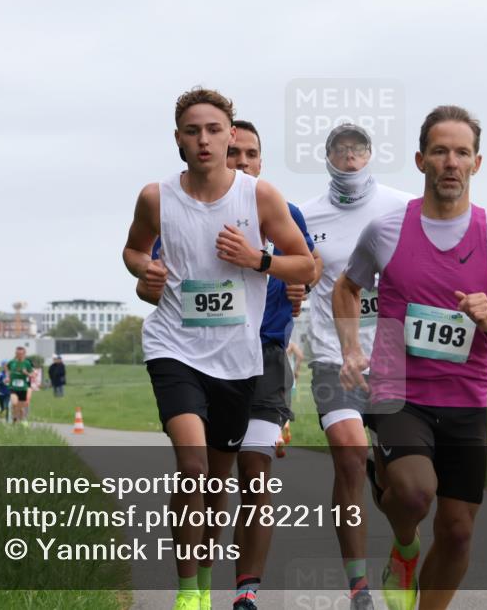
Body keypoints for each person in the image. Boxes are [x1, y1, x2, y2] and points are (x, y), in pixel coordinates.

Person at [335, 105, 487, 610]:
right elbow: (346, 287)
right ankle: (405, 546)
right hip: (397, 390)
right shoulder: (386, 230)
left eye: (462, 153)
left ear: (477, 163)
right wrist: (351, 350)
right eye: (440, 151)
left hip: (466, 400)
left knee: (456, 533)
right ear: (420, 160)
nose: (451, 162)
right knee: (413, 493)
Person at [122, 87, 314, 610]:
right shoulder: (156, 197)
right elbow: (134, 250)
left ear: (231, 135)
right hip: (173, 347)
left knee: (218, 482)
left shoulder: (261, 198)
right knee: (192, 467)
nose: (203, 140)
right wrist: (147, 272)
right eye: (192, 131)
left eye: (213, 130)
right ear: (178, 140)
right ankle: (188, 595)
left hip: (237, 357)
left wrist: (259, 260)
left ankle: (207, 577)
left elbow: (307, 266)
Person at [300, 123, 412, 606]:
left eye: (358, 149)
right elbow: (296, 283)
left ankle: (404, 549)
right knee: (348, 456)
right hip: (332, 354)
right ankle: (359, 585)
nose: (350, 158)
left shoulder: (402, 206)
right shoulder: (306, 216)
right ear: (327, 157)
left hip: (392, 358)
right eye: (340, 150)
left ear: (371, 155)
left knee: (398, 483)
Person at [7, 346, 34, 426]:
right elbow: (7, 369)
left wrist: (27, 373)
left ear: (24, 354)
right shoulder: (12, 362)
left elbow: (32, 375)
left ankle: (21, 420)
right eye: (17, 353)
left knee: (21, 408)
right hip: (13, 387)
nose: (19, 355)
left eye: (21, 354)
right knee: (14, 403)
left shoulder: (27, 363)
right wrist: (7, 377)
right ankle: (15, 418)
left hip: (23, 388)